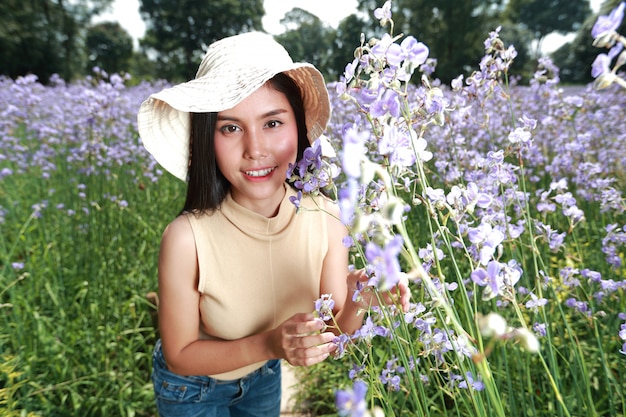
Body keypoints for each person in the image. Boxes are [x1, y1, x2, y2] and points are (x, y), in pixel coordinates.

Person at [137, 31, 409, 417]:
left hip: (264, 373)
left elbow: (332, 331)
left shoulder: (328, 218)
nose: (255, 150)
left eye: (273, 123)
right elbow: (181, 355)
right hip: (191, 387)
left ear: (299, 129)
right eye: (230, 128)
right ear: (205, 139)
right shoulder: (186, 238)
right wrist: (271, 345)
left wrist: (362, 298)